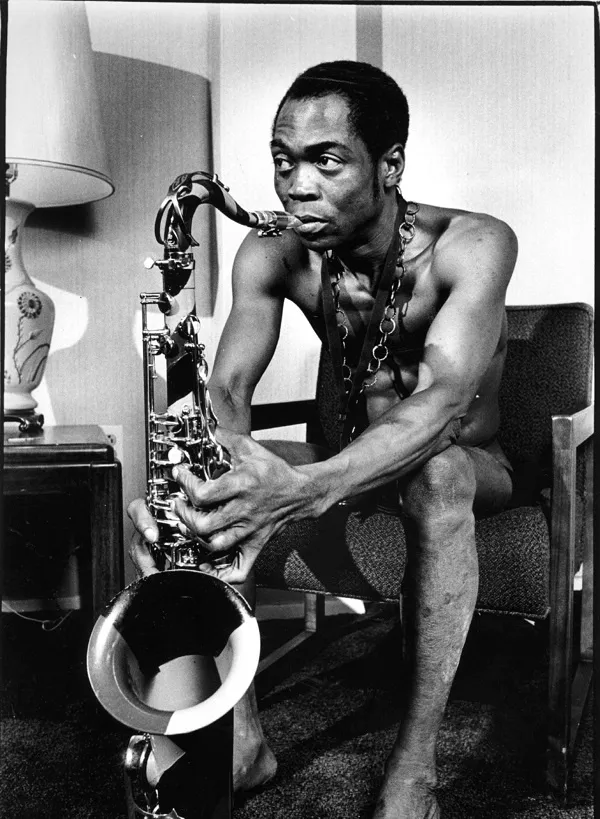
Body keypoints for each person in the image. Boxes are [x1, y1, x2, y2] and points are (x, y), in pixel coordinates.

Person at [129, 60, 517, 819]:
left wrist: (304, 487)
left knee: (436, 472)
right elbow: (230, 394)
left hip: (467, 462)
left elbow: (443, 400)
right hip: (340, 456)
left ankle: (415, 767)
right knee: (207, 479)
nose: (295, 184)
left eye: (326, 160)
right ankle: (242, 737)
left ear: (390, 164)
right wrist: (210, 488)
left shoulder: (473, 244)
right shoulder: (273, 254)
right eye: (283, 161)